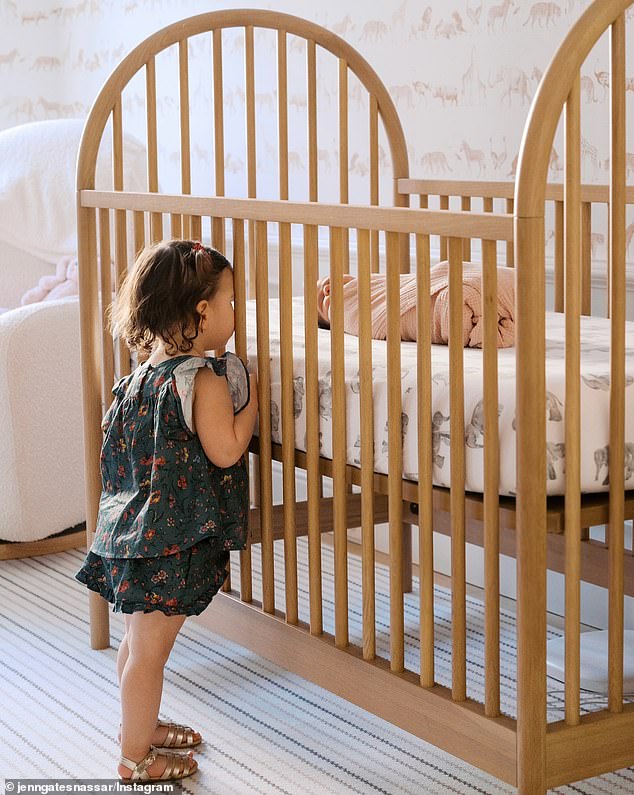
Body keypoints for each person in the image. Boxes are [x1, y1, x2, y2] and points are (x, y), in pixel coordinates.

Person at [74, 240, 258, 783]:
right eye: (230, 302)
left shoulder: (137, 379)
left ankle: (142, 725)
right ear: (201, 311)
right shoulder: (202, 381)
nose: (233, 313)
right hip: (167, 544)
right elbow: (224, 449)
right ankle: (135, 758)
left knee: (137, 644)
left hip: (130, 534)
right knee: (149, 653)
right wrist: (249, 408)